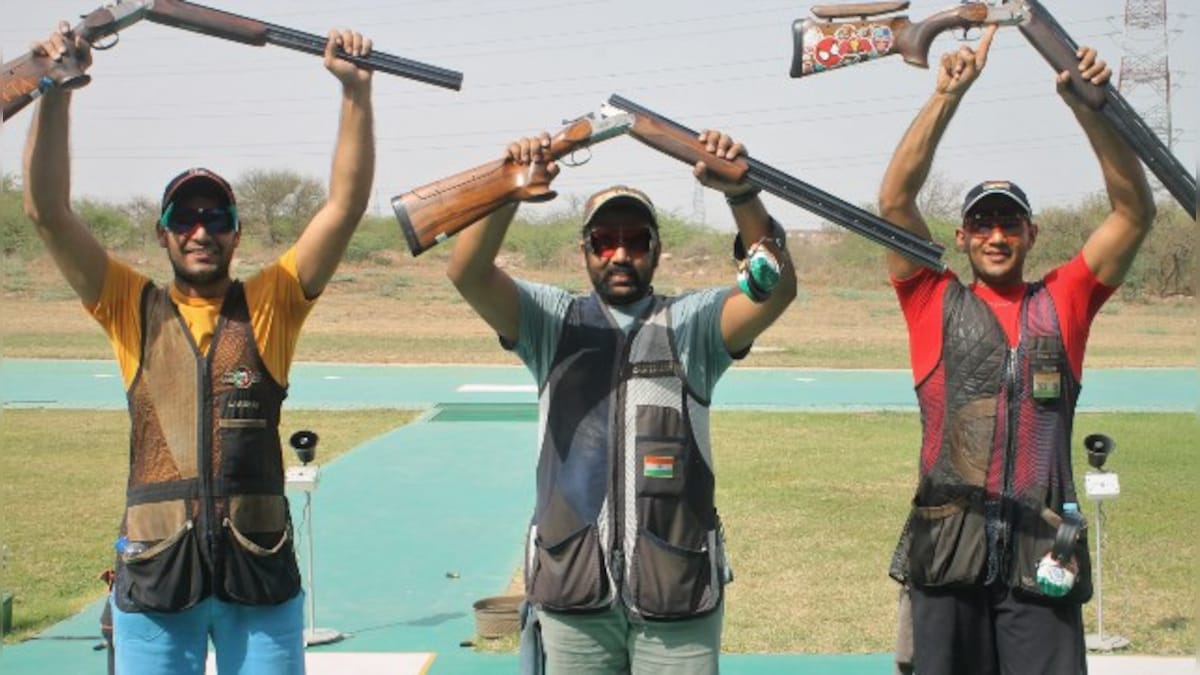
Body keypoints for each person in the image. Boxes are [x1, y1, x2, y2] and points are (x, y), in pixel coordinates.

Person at [22, 21, 376, 675]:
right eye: (184, 217)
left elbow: (346, 205)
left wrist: (355, 94)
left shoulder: (271, 305)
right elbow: (47, 210)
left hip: (259, 577)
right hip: (158, 583)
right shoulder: (131, 306)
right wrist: (56, 89)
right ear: (162, 235)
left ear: (237, 234)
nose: (200, 229)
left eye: (217, 217)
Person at [447, 130, 796, 673]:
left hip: (675, 590)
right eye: (604, 241)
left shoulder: (694, 325)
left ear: (657, 250)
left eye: (635, 240)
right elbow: (466, 272)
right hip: (573, 584)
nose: (619, 254)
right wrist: (509, 188)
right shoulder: (551, 322)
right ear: (584, 250)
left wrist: (741, 193)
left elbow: (774, 288)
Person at [877, 26, 1155, 675]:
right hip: (945, 558)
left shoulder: (1065, 301)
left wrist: (1092, 109)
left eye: (1009, 223)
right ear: (962, 235)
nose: (996, 235)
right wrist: (947, 93)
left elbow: (1133, 211)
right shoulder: (929, 296)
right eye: (982, 223)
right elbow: (893, 201)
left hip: (1043, 560)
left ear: (1031, 233)